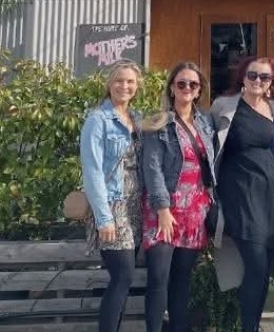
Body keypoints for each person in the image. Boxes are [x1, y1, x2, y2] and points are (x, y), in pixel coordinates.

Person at [211, 55, 274, 332]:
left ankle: (252, 325)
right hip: (240, 194)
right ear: (242, 77)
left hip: (270, 195)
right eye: (252, 75)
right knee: (255, 265)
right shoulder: (224, 106)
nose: (258, 80)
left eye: (264, 77)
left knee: (264, 270)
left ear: (271, 82)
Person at [141, 61, 217, 332]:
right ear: (172, 88)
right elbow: (152, 168)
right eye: (181, 83)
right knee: (158, 278)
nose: (187, 88)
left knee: (182, 280)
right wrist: (163, 209)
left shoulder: (205, 122)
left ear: (199, 90)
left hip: (195, 211)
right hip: (164, 210)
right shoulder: (158, 122)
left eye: (193, 84)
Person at [80, 60, 144, 332]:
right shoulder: (98, 120)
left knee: (124, 280)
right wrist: (103, 218)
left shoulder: (136, 118)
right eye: (119, 80)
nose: (124, 86)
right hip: (112, 205)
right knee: (122, 276)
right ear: (109, 84)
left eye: (130, 81)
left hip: (135, 206)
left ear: (137, 86)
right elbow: (92, 171)